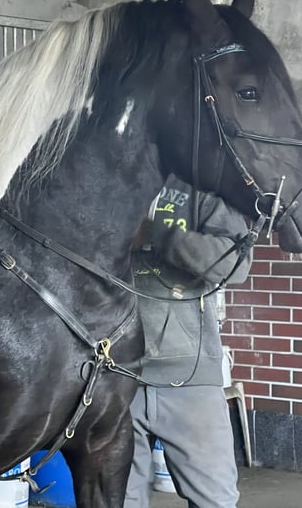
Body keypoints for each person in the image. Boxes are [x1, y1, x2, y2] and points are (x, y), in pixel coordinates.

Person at [123, 174, 252, 508]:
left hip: (190, 379)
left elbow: (235, 263)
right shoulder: (109, 176)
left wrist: (156, 234)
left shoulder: (204, 192)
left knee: (215, 501)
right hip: (115, 379)